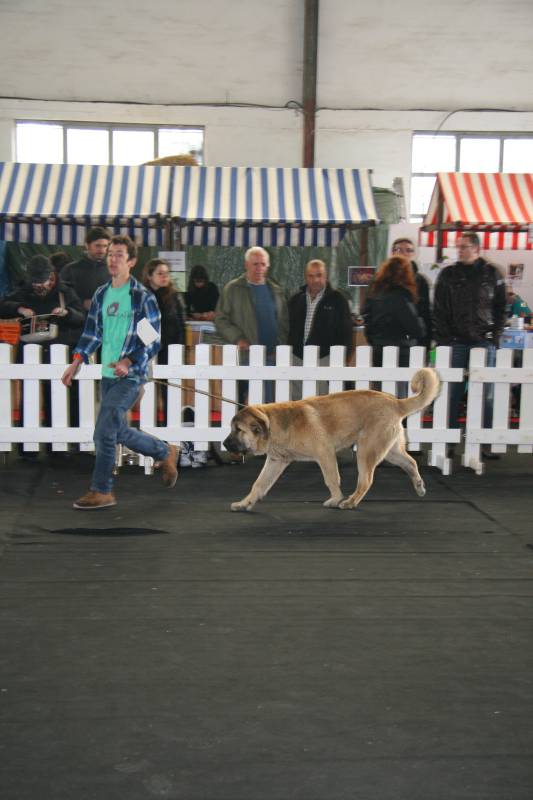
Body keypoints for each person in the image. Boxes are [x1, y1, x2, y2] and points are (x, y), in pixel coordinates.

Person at [61, 235, 179, 510]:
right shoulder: (102, 294)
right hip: (108, 375)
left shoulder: (142, 297)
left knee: (104, 432)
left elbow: (152, 340)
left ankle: (102, 490)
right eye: (110, 254)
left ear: (132, 261)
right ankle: (164, 451)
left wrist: (128, 360)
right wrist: (76, 361)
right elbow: (92, 333)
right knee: (117, 430)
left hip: (132, 375)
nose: (112, 260)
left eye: (119, 255)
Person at [433, 232, 507, 459]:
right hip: (456, 341)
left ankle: (484, 443)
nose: (460, 250)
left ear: (476, 248)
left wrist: (494, 336)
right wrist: (445, 340)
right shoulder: (448, 274)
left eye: (464, 246)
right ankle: (448, 441)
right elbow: (439, 309)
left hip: (483, 340)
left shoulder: (492, 274)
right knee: (451, 393)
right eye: (459, 247)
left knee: (485, 394)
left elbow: (501, 307)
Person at [214, 246, 289, 403]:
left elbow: (284, 323)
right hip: (244, 357)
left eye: (263, 264)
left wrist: (280, 346)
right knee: (243, 404)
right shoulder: (232, 289)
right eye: (255, 264)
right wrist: (238, 338)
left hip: (271, 357)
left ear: (268, 265)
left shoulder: (276, 291)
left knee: (269, 404)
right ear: (246, 265)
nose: (259, 268)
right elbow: (220, 319)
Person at [288, 259, 353, 397]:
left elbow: (346, 332)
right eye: (311, 276)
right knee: (297, 400)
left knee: (322, 400)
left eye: (319, 275)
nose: (315, 280)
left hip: (325, 358)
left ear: (326, 276)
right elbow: (287, 328)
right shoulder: (295, 299)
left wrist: (344, 358)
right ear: (306, 277)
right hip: (297, 357)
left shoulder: (338, 300)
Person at [363, 255, 425, 397]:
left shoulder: (374, 294)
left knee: (380, 397)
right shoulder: (402, 297)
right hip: (401, 354)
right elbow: (417, 330)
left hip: (379, 352)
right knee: (400, 399)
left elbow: (368, 324)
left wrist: (376, 341)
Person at [0, 254, 85, 349]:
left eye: (41, 281)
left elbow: (81, 319)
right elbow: (2, 307)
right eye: (34, 282)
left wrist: (67, 313)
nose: (38, 285)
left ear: (51, 276)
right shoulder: (23, 291)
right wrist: (19, 309)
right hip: (29, 349)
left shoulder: (65, 291)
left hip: (58, 349)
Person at [391, 237, 432, 350]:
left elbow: (425, 314)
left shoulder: (421, 281)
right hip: (386, 340)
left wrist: (426, 343)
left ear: (414, 254)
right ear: (392, 253)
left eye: (409, 250)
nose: (404, 254)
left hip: (414, 342)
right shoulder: (382, 279)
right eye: (399, 250)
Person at [141, 258, 185, 359]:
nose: (165, 276)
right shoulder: (142, 297)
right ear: (149, 276)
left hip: (172, 351)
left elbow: (181, 327)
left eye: (167, 273)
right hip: (149, 351)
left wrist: (179, 350)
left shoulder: (175, 296)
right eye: (160, 273)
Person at [61, 226, 111, 312]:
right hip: (78, 318)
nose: (102, 250)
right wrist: (82, 303)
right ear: (87, 245)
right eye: (98, 246)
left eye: (105, 246)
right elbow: (61, 295)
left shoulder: (113, 270)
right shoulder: (71, 270)